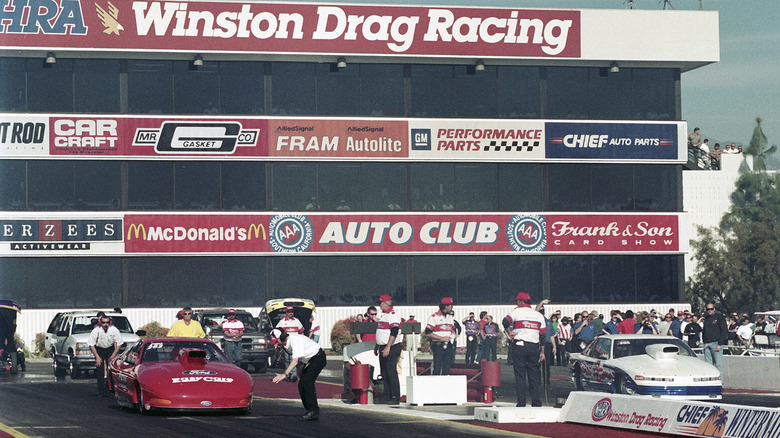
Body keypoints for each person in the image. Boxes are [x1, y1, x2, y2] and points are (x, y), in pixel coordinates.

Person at [271, 329, 327, 421]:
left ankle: (313, 410)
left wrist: (284, 375)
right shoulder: (287, 344)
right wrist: (299, 371)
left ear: (282, 337)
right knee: (301, 385)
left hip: (318, 358)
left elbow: (295, 360)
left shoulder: (295, 341)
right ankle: (309, 410)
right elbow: (298, 359)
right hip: (310, 360)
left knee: (308, 382)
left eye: (277, 341)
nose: (277, 344)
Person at [503, 292, 546, 407]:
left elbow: (505, 321)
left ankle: (521, 402)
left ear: (521, 302)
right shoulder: (538, 315)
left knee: (520, 375)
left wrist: (509, 333)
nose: (517, 303)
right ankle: (536, 402)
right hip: (534, 347)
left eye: (517, 301)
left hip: (519, 345)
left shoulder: (517, 311)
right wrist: (542, 351)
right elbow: (542, 335)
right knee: (534, 375)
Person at [375, 294, 403, 405]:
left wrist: (387, 347)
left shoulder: (393, 315)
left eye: (380, 302)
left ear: (386, 303)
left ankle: (396, 396)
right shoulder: (384, 315)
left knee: (391, 372)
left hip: (392, 347)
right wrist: (377, 345)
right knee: (384, 372)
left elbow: (394, 331)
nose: (379, 305)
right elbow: (382, 332)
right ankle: (387, 396)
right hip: (383, 346)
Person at [88, 315, 122, 397]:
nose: (105, 324)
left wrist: (113, 354)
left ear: (110, 323)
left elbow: (119, 343)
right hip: (99, 349)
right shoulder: (96, 331)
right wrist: (97, 357)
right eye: (103, 322)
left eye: (107, 322)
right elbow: (91, 344)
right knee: (100, 369)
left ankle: (109, 389)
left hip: (110, 349)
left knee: (110, 370)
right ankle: (101, 390)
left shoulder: (114, 330)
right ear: (100, 323)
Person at [425, 297, 455, 375]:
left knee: (447, 368)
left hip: (448, 345)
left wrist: (453, 334)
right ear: (445, 306)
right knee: (437, 368)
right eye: (450, 305)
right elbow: (428, 333)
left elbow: (452, 329)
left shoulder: (450, 317)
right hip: (438, 345)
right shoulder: (435, 317)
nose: (452, 307)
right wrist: (442, 338)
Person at [276, 306, 304, 380]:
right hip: (286, 344)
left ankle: (293, 375)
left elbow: (301, 332)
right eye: (289, 312)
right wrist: (279, 342)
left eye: (292, 312)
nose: (291, 313)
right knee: (287, 359)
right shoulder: (282, 322)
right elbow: (277, 332)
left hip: (295, 344)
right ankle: (288, 375)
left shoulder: (297, 321)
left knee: (293, 359)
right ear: (286, 312)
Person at [701, 303, 728, 376]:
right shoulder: (706, 319)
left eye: (711, 309)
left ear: (714, 309)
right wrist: (704, 343)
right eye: (708, 309)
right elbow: (704, 331)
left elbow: (724, 331)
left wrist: (719, 344)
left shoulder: (719, 317)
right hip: (707, 344)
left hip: (716, 343)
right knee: (708, 366)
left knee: (718, 365)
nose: (709, 310)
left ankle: (720, 384)